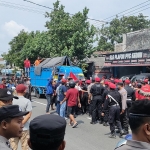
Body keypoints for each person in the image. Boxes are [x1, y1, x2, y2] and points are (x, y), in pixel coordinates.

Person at [10, 84, 32, 150]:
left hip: (13, 127)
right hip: (24, 127)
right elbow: (28, 115)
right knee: (25, 146)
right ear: (24, 91)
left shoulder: (11, 100)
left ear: (16, 91)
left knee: (13, 146)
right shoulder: (27, 101)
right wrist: (21, 124)